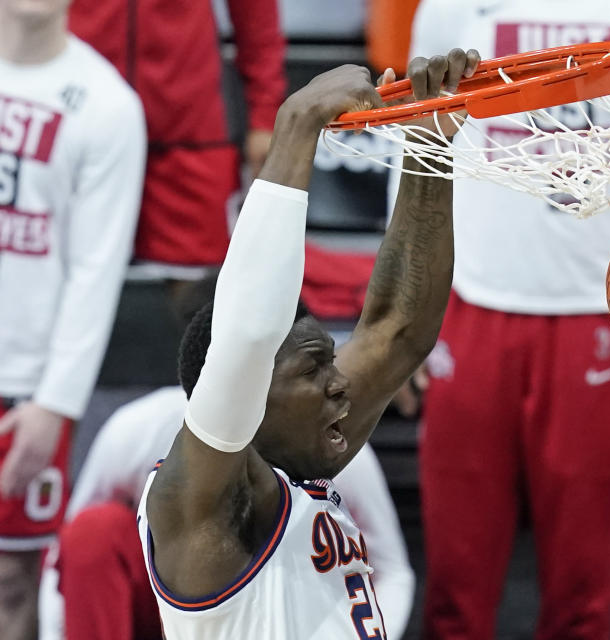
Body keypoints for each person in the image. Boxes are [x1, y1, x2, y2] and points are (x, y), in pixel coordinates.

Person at [401, 2, 610, 638]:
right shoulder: (451, 9)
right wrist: (402, 315)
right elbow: (420, 148)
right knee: (456, 571)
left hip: (601, 309)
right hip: (473, 299)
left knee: (581, 578)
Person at [138, 49, 479, 638]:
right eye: (314, 368)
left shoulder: (293, 462)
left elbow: (398, 330)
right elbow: (246, 336)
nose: (340, 379)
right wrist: (297, 123)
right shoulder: (196, 507)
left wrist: (429, 143)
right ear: (249, 394)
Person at [37, 277, 414, 640]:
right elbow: (67, 557)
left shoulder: (336, 441)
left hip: (290, 615)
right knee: (94, 532)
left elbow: (393, 569)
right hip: (163, 610)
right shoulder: (134, 429)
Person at [0, 0, 146, 636]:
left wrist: (56, 403)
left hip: (25, 388)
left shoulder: (107, 106)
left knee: (9, 582)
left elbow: (96, 267)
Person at [68, 0, 286, 271]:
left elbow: (257, 13)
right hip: (74, 126)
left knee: (205, 289)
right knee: (54, 283)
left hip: (190, 130)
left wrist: (265, 116)